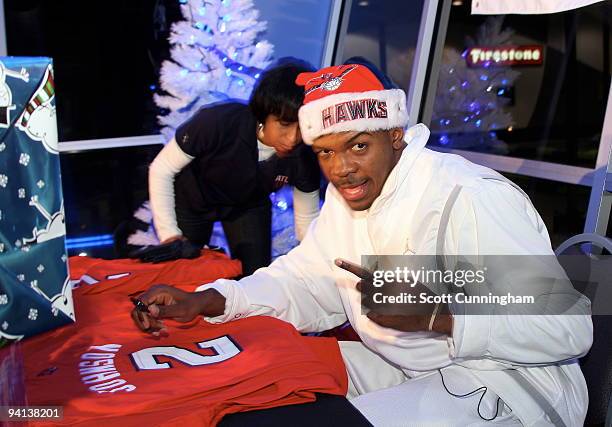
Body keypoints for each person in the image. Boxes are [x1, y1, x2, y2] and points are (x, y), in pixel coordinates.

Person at [132, 59, 592, 426]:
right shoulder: (348, 197)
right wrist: (210, 299)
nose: (341, 169)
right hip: (401, 362)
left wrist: (439, 315)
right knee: (257, 385)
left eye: (357, 147)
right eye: (326, 152)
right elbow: (306, 281)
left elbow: (568, 328)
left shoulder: (468, 198)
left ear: (395, 135)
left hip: (510, 386)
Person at [147, 58, 321, 275]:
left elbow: (307, 226)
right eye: (284, 124)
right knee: (183, 274)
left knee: (257, 278)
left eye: (302, 126)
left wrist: (316, 270)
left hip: (247, 206)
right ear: (264, 113)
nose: (293, 138)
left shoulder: (305, 155)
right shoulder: (219, 121)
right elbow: (161, 169)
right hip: (192, 200)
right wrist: (169, 234)